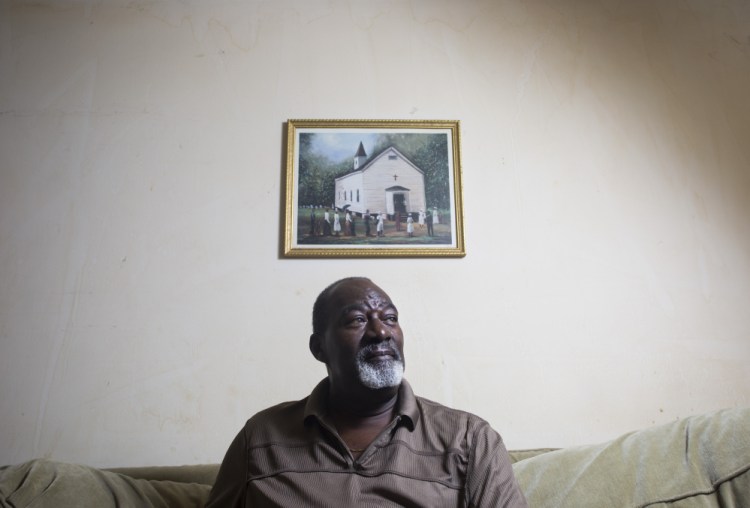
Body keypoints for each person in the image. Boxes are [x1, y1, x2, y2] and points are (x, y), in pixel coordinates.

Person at [206, 277, 528, 507]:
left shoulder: (469, 439)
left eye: (390, 318)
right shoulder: (261, 438)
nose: (381, 331)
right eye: (358, 320)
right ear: (319, 348)